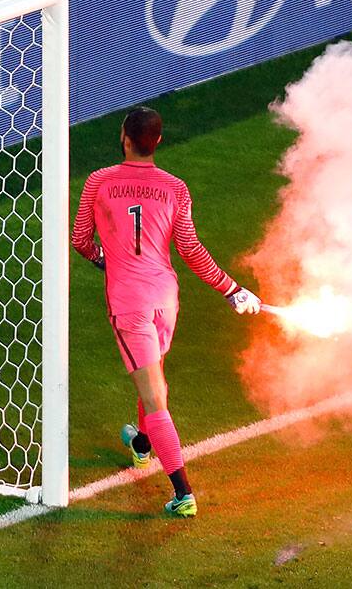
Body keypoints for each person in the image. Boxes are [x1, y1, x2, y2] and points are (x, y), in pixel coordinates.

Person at [71, 106, 261, 517]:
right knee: (152, 377)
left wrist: (106, 259)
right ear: (157, 142)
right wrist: (232, 289)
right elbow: (191, 249)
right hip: (165, 299)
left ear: (123, 137)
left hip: (130, 304)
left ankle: (183, 494)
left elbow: (80, 239)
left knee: (155, 399)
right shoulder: (176, 187)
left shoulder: (99, 182)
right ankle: (141, 446)